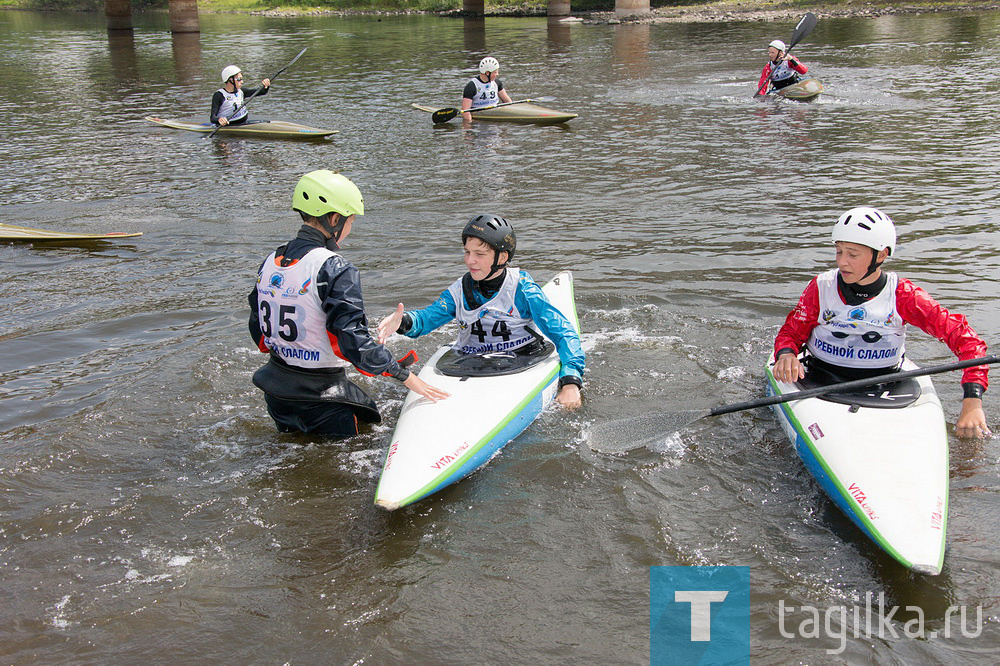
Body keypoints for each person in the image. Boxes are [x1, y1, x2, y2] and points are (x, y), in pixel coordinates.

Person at [249, 170, 449, 436]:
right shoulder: (335, 267)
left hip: (275, 391)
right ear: (334, 219)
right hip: (323, 399)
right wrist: (403, 375)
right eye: (351, 221)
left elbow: (257, 330)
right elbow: (351, 338)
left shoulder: (271, 260)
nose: (350, 229)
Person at [772, 207, 990, 438]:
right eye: (839, 252)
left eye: (853, 254)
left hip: (884, 383)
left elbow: (967, 342)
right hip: (821, 377)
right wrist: (786, 354)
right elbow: (792, 332)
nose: (842, 262)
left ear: (881, 255)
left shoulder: (905, 296)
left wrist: (972, 402)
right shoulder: (821, 287)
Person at [376, 214, 585, 409]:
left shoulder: (523, 290)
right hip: (470, 361)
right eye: (467, 252)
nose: (470, 260)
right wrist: (403, 322)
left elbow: (564, 334)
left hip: (521, 358)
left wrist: (570, 382)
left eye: (479, 254)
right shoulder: (458, 291)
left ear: (502, 257)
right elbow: (426, 319)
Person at [461, 57, 513, 123]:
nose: (497, 74)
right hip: (479, 116)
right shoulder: (471, 86)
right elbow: (465, 111)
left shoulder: (497, 83)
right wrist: (469, 126)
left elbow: (508, 102)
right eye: (495, 72)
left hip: (495, 112)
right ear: (487, 73)